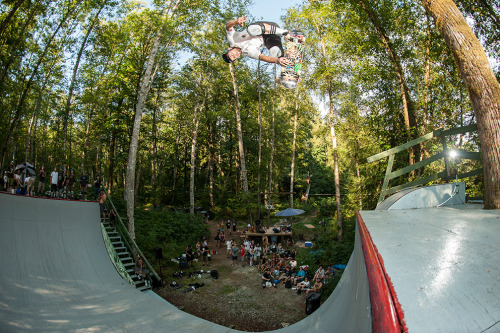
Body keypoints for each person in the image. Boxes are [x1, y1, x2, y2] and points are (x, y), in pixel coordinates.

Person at [222, 16, 291, 66]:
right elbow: (261, 57)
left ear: (229, 49)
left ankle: (286, 33)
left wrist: (236, 22)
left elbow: (228, 27)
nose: (235, 55)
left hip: (268, 27)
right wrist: (277, 60)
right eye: (234, 57)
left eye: (232, 54)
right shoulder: (248, 53)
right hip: (270, 38)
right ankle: (290, 58)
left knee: (251, 30)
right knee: (275, 55)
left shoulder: (232, 40)